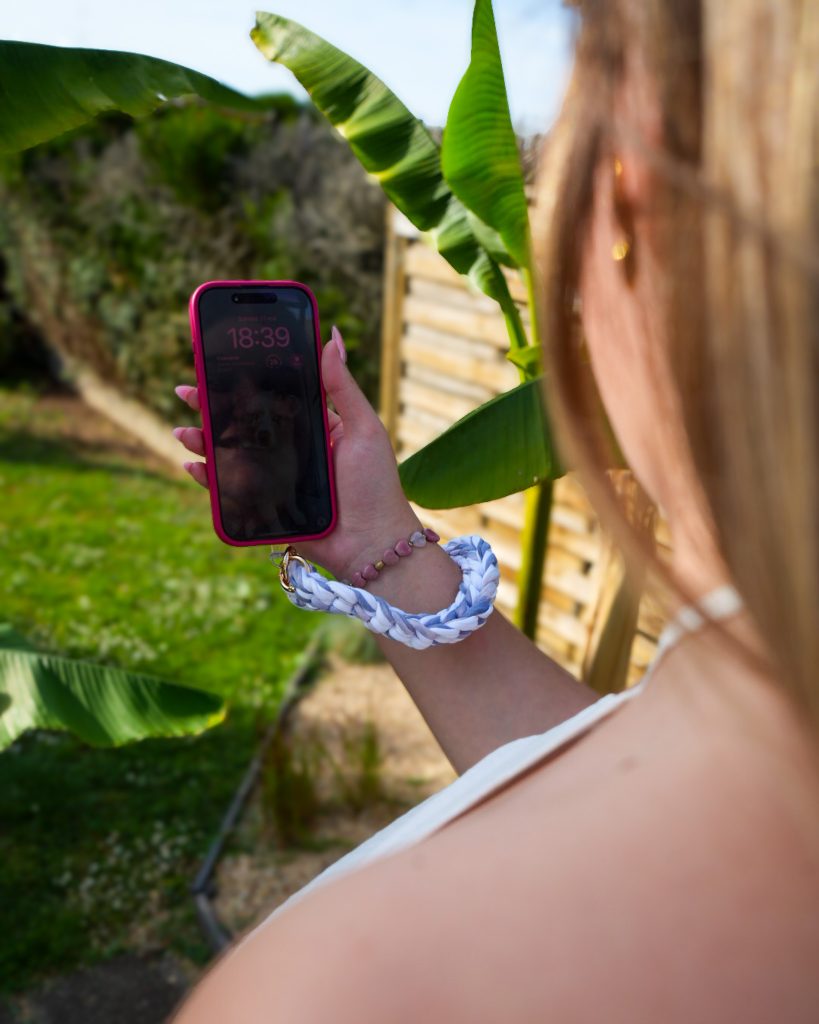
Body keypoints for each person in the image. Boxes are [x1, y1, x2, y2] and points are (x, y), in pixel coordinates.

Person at [169, 0, 819, 1018]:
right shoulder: (759, 688)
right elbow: (598, 771)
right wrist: (377, 541)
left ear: (633, 188)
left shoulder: (352, 989)